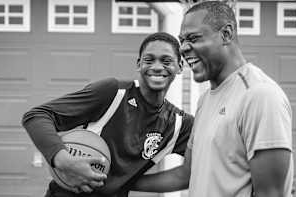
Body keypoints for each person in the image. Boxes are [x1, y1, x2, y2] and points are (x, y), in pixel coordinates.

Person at [132, 1, 294, 197]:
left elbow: (271, 193)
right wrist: (121, 181)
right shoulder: (205, 100)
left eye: (193, 38)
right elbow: (186, 174)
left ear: (226, 34)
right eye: (182, 40)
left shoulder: (260, 96)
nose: (183, 48)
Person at [22, 32, 194, 197]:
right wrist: (65, 161)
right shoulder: (113, 93)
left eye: (166, 61)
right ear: (138, 64)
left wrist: (124, 181)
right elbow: (37, 116)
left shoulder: (178, 124)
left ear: (180, 67)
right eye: (149, 60)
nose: (157, 67)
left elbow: (185, 176)